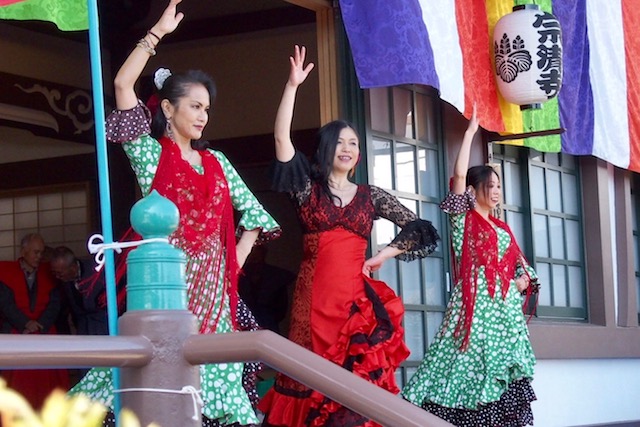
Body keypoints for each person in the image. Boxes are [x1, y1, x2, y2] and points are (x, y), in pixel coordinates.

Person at [68, 1, 281, 426]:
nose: (203, 116)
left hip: (216, 302)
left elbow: (256, 217)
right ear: (168, 109)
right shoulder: (151, 156)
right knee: (154, 386)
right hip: (166, 292)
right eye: (195, 106)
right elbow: (122, 84)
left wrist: (232, 266)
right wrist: (157, 34)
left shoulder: (218, 163)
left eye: (207, 109)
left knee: (218, 398)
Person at [258, 45, 440, 427]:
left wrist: (383, 254)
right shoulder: (307, 190)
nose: (347, 148)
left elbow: (420, 229)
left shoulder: (371, 196)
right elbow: (282, 142)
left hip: (354, 304)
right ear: (326, 149)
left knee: (355, 390)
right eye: (340, 142)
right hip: (313, 301)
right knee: (310, 379)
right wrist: (292, 87)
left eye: (353, 143)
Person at [401, 106, 538, 426]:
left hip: (504, 311)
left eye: (499, 186)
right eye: (490, 186)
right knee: (465, 366)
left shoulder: (502, 228)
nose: (496, 191)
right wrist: (469, 134)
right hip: (474, 307)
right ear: (473, 191)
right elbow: (459, 177)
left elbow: (520, 265)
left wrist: (522, 281)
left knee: (499, 371)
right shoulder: (464, 219)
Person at [0, 233, 70, 410]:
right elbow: (5, 304)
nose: (39, 257)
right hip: (17, 330)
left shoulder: (50, 271)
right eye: (35, 252)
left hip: (44, 330)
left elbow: (55, 303)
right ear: (23, 251)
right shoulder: (6, 272)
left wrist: (41, 324)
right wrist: (25, 323)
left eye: (41, 253)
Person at [49, 246, 110, 336]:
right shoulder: (65, 279)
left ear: (73, 268)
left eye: (60, 273)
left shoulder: (96, 270)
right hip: (82, 330)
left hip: (103, 327)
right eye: (54, 273)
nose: (57, 277)